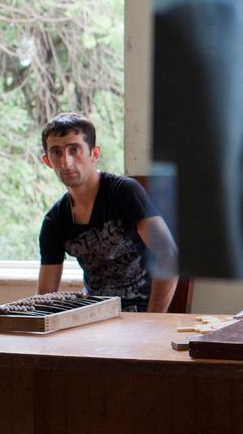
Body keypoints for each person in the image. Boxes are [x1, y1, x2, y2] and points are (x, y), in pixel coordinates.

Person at [37, 113, 180, 313]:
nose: (66, 162)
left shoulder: (123, 192)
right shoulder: (55, 221)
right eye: (56, 152)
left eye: (74, 150)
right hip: (95, 318)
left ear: (94, 153)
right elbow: (45, 297)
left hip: (142, 313)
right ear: (47, 161)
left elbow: (168, 255)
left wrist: (152, 321)